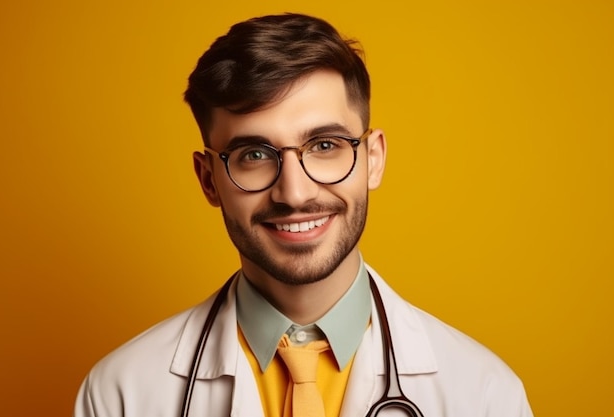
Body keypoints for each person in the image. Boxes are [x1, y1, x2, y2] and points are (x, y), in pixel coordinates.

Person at [74, 13, 533, 417]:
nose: (294, 193)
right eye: (254, 153)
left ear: (373, 158)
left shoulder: (485, 395)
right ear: (209, 179)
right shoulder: (120, 396)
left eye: (325, 146)